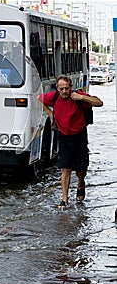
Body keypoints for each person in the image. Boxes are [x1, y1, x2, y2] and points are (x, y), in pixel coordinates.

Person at [37, 75, 103, 208]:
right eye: (61, 89)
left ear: (71, 88)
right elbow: (39, 98)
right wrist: (50, 114)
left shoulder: (78, 96)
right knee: (65, 168)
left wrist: (82, 97)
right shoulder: (54, 97)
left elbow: (99, 103)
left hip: (79, 136)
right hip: (64, 137)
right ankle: (64, 199)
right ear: (57, 89)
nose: (64, 91)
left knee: (80, 169)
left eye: (67, 88)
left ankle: (80, 183)